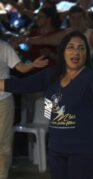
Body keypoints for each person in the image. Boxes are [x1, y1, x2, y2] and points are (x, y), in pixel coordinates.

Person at [0, 31, 93, 179]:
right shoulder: (51, 75)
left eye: (81, 48)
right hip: (57, 149)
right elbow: (20, 85)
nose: (76, 52)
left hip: (85, 150)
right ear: (62, 51)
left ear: (87, 53)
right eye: (71, 47)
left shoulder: (91, 77)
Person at [0, 39, 48, 179]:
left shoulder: (3, 47)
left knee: (3, 142)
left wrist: (33, 64)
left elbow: (20, 67)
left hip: (3, 100)